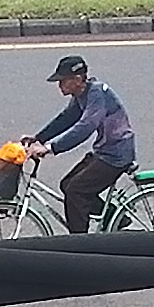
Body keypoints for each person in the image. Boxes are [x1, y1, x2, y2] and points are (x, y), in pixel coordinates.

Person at [23, 55, 135, 235]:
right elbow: (66, 119)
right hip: (104, 151)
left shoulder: (96, 93)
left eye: (63, 81)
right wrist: (38, 138)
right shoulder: (81, 95)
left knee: (76, 191)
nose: (60, 85)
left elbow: (85, 127)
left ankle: (79, 241)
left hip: (116, 156)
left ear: (77, 79)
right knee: (67, 184)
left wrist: (51, 148)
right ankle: (116, 219)